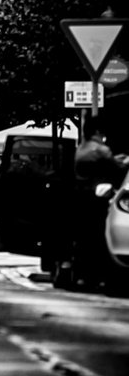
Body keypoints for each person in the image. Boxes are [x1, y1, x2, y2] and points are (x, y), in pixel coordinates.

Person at [70, 115, 127, 290]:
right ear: (97, 132)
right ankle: (98, 276)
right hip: (98, 198)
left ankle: (83, 275)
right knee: (98, 237)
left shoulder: (81, 149)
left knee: (83, 238)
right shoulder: (100, 150)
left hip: (81, 198)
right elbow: (117, 166)